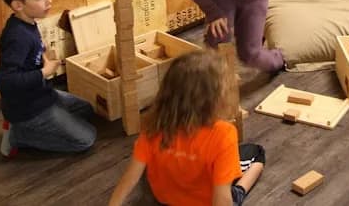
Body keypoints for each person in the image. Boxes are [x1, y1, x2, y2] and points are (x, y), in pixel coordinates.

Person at [108, 51, 266, 206]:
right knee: (256, 152)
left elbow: (130, 178)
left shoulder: (154, 124)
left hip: (165, 200)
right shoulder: (224, 134)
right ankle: (239, 190)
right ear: (213, 98)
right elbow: (221, 199)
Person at [0, 0, 96, 157]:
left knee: (87, 110)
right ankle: (19, 135)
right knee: (86, 139)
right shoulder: (17, 36)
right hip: (28, 108)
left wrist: (44, 58)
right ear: (18, 5)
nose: (49, 0)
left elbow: (29, 58)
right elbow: (4, 81)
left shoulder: (28, 22)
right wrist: (44, 72)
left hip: (43, 94)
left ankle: (42, 123)